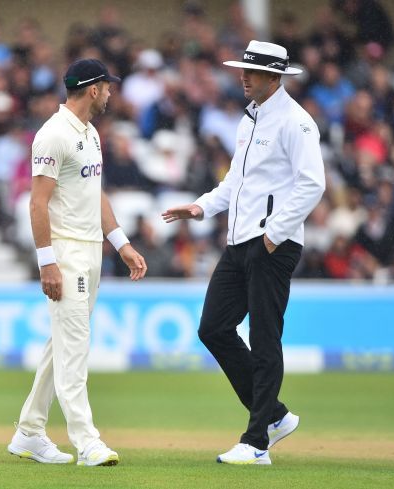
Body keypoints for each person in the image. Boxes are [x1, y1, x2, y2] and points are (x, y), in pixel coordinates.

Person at [162, 41, 325, 465]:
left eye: (251, 71)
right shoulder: (249, 120)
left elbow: (313, 184)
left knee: (264, 337)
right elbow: (235, 182)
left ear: (275, 78)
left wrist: (274, 234)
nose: (243, 76)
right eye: (243, 69)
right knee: (213, 328)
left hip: (273, 244)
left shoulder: (297, 123)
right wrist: (200, 207)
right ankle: (273, 415)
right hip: (240, 243)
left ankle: (256, 444)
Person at [7, 59, 147, 467]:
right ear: (92, 90)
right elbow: (37, 202)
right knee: (75, 350)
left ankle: (28, 432)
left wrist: (120, 243)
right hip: (66, 252)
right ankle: (88, 442)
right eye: (107, 87)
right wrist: (47, 263)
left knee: (62, 345)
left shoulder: (90, 133)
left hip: (91, 251)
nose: (110, 93)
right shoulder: (53, 135)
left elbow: (95, 193)